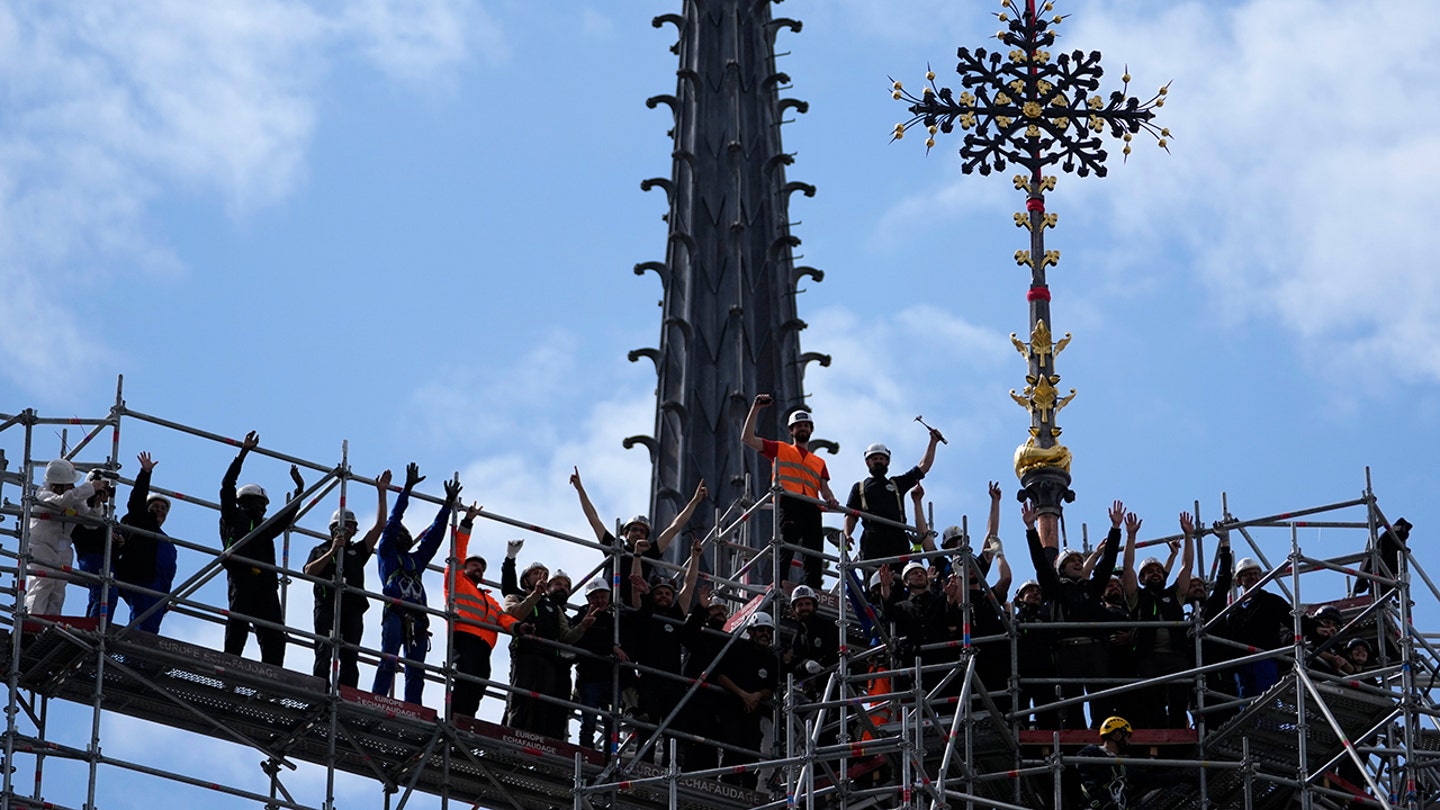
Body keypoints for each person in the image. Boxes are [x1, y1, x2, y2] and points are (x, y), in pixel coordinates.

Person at [1026, 500, 1123, 729]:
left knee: (1101, 698)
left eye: (1080, 561)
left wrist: (1115, 530)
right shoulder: (1056, 590)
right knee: (1072, 700)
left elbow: (1106, 565)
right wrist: (1031, 530)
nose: (1078, 564)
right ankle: (1076, 737)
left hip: (1094, 649)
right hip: (1067, 650)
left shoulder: (1091, 589)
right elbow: (1041, 564)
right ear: (1061, 568)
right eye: (1073, 561)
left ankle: (1103, 734)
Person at [372, 463, 460, 705]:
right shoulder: (387, 554)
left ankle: (413, 707)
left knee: (416, 669)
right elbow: (393, 521)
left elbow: (434, 536)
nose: (398, 534)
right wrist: (407, 489)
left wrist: (447, 505)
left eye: (403, 533)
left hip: (418, 619)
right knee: (389, 659)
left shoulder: (415, 560)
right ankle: (377, 699)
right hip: (396, 613)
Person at [219, 431, 304, 665]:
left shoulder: (264, 528)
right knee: (238, 625)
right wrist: (243, 453)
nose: (264, 508)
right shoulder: (233, 516)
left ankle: (273, 676)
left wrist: (299, 492)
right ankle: (230, 669)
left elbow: (284, 520)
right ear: (245, 501)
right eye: (261, 502)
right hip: (242, 575)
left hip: (265, 582)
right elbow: (227, 486)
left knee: (274, 633)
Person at [741, 394, 840, 588]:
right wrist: (756, 408)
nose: (802, 428)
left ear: (811, 430)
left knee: (814, 553)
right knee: (785, 547)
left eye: (806, 425)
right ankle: (778, 584)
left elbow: (824, 488)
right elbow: (747, 438)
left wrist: (831, 499)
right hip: (790, 502)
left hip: (812, 507)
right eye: (798, 426)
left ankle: (813, 590)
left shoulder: (819, 462)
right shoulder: (780, 449)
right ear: (791, 430)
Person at [570, 467, 707, 605]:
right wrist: (580, 489)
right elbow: (594, 519)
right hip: (610, 605)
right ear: (625, 533)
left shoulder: (650, 552)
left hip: (635, 607)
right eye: (634, 529)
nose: (638, 533)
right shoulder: (614, 546)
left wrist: (695, 501)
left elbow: (675, 527)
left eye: (642, 531)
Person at [303, 470, 389, 687]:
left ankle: (346, 696)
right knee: (324, 652)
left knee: (350, 657)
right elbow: (309, 572)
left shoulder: (357, 551)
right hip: (327, 606)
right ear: (334, 528)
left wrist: (382, 492)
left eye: (351, 526)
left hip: (351, 609)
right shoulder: (320, 549)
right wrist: (332, 551)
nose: (349, 529)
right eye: (344, 525)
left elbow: (379, 527)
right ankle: (319, 692)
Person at [446, 501, 526, 719]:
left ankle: (464, 723)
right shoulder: (457, 581)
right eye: (474, 565)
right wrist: (467, 522)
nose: (479, 569)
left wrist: (518, 627)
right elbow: (457, 551)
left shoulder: (488, 599)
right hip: (464, 639)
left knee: (478, 687)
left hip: (484, 647)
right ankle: (453, 721)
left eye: (481, 568)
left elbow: (502, 618)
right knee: (465, 682)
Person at [1120, 512, 1194, 728]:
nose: (1155, 574)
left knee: (1179, 702)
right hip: (1148, 658)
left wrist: (1189, 536)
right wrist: (1130, 537)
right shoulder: (1137, 597)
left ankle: (1179, 734)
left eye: (1158, 571)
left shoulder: (1175, 595)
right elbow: (1127, 568)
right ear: (1142, 579)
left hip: (1177, 656)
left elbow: (1187, 567)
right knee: (1153, 703)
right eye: (1149, 572)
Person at [841, 428, 943, 561]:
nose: (878, 461)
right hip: (872, 539)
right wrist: (847, 534)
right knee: (873, 577)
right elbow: (851, 514)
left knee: (901, 578)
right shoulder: (859, 487)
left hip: (897, 539)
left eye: (881, 458)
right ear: (867, 462)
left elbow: (923, 467)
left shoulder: (897, 484)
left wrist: (933, 441)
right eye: (874, 458)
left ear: (887, 462)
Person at [27, 459, 110, 616]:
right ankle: (32, 620)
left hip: (62, 548)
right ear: (58, 484)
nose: (72, 487)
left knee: (58, 587)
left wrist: (96, 503)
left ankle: (49, 623)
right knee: (42, 583)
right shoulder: (43, 495)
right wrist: (90, 487)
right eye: (69, 484)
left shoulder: (71, 497)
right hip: (41, 546)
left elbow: (91, 523)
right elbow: (63, 501)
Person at [504, 566, 576, 739]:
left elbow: (565, 635)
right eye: (536, 573)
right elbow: (515, 613)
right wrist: (510, 559)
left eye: (544, 574)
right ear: (525, 580)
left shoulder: (552, 607)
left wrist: (583, 626)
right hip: (525, 652)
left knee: (543, 703)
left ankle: (538, 741)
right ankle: (512, 735)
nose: (540, 576)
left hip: (548, 657)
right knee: (519, 697)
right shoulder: (515, 597)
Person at [714, 612, 782, 788]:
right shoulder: (737, 648)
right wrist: (743, 695)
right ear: (751, 632)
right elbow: (721, 676)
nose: (765, 634)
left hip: (753, 713)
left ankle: (748, 794)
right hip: (732, 709)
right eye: (761, 630)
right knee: (732, 750)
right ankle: (727, 789)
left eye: (768, 631)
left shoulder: (771, 659)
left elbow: (771, 687)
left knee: (751, 753)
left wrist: (757, 695)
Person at [115, 452, 176, 633]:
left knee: (151, 624)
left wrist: (166, 597)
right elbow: (136, 501)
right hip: (140, 580)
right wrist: (145, 473)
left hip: (158, 588)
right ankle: (135, 658)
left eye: (163, 508)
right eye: (155, 507)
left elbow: (169, 573)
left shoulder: (167, 542)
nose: (159, 510)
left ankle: (141, 656)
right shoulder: (140, 521)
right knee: (143, 620)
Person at [568, 577, 626, 750]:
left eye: (603, 597)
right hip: (589, 677)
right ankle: (586, 754)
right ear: (588, 599)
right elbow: (581, 644)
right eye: (595, 597)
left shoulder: (613, 619)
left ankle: (609, 758)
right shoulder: (581, 616)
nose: (600, 601)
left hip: (610, 678)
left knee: (612, 723)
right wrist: (610, 647)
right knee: (589, 721)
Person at [1225, 556, 1292, 698]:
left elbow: (1294, 621)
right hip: (1242, 663)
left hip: (1265, 658)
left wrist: (1315, 630)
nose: (1253, 577)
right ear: (1238, 580)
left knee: (1265, 701)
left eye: (1256, 574)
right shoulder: (1233, 612)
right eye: (1247, 574)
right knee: (1245, 706)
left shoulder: (1271, 602)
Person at [1074, 716, 1136, 809]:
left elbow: (1145, 778)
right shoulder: (1091, 752)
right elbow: (1086, 777)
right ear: (1117, 735)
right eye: (1127, 737)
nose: (1129, 742)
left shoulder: (1124, 765)